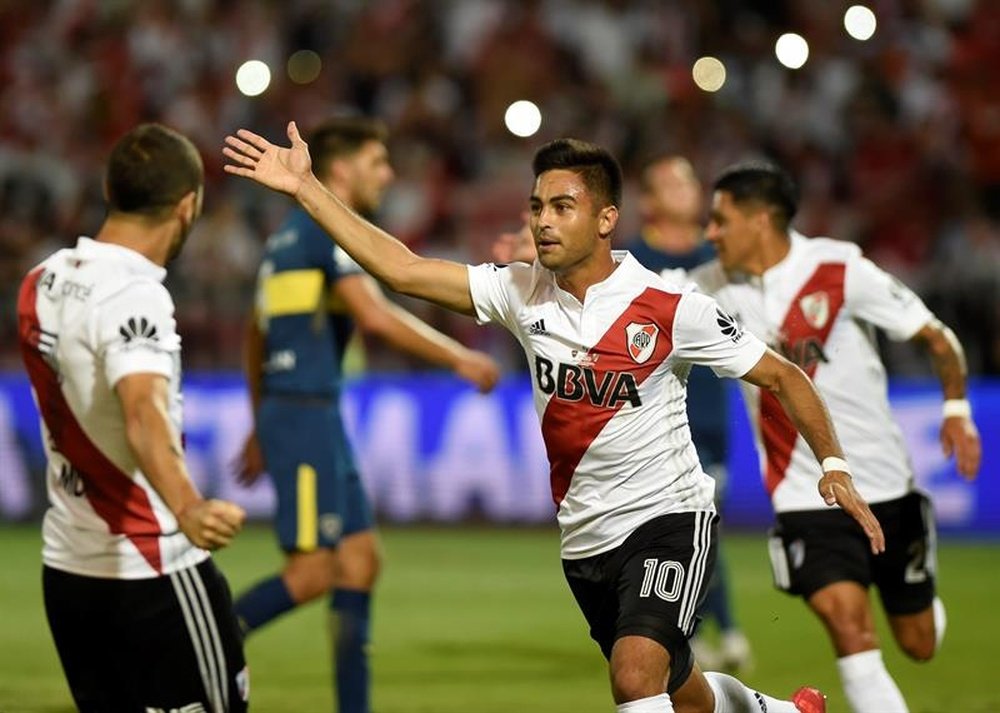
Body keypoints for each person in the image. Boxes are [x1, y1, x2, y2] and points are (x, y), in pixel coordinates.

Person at [223, 122, 887, 713]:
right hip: (585, 539)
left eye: (562, 206)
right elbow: (402, 271)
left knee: (634, 678)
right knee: (681, 685)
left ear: (605, 219)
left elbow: (783, 373)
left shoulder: (667, 306)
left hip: (669, 520)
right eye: (538, 205)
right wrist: (307, 190)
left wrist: (834, 467)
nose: (543, 220)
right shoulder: (520, 291)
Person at [689, 161, 981, 713]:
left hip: (886, 486)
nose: (711, 233)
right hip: (806, 495)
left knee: (919, 644)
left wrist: (957, 408)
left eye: (720, 221)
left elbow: (937, 339)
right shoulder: (709, 285)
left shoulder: (841, 269)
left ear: (761, 220)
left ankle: (924, 607)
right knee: (851, 634)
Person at [231, 116, 499, 713]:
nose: (388, 174)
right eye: (378, 162)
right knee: (312, 572)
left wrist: (257, 419)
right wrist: (460, 358)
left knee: (359, 561)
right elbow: (374, 315)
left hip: (302, 412)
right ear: (344, 169)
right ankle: (197, 637)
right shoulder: (328, 233)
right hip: (304, 414)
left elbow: (255, 335)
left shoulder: (285, 239)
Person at [16, 123, 249, 712]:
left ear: (107, 187)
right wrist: (189, 507)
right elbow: (143, 411)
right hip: (152, 566)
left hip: (68, 568)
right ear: (188, 205)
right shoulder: (133, 294)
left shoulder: (40, 281)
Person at [494, 155, 752, 672]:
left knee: (690, 529)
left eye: (688, 177)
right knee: (664, 671)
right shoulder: (637, 262)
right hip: (628, 418)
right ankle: (710, 650)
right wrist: (539, 258)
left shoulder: (721, 260)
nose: (686, 188)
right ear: (648, 204)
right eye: (670, 182)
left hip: (700, 420)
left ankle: (708, 630)